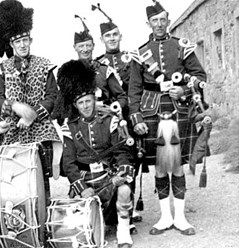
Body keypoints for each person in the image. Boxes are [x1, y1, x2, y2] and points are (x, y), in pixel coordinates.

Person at [128, 0, 207, 236]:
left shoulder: (182, 46)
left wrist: (184, 90)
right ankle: (164, 217)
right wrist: (136, 118)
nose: (159, 24)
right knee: (161, 167)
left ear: (168, 20)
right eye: (155, 20)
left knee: (178, 166)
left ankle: (181, 218)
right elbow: (134, 89)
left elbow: (199, 75)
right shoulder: (140, 53)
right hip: (152, 112)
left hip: (179, 109)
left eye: (163, 19)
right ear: (148, 23)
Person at [0, 0, 62, 204]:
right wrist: (15, 107)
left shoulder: (45, 66)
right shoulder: (1, 69)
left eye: (25, 40)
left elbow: (52, 97)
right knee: (13, 177)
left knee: (41, 175)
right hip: (12, 129)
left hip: (41, 128)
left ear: (31, 39)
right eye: (18, 41)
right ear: (11, 44)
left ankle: (43, 215)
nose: (22, 45)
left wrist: (33, 114)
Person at [57, 59, 134, 248]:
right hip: (85, 180)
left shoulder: (110, 121)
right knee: (82, 228)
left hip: (107, 176)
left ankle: (123, 231)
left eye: (88, 101)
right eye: (80, 103)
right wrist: (81, 187)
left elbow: (122, 152)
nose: (85, 106)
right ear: (75, 105)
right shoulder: (70, 128)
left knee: (124, 191)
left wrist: (120, 175)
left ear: (94, 99)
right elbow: (68, 164)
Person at [92, 3, 144, 229]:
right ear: (102, 39)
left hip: (126, 122)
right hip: (106, 123)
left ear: (120, 36)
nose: (112, 39)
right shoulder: (98, 65)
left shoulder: (131, 59)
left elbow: (134, 92)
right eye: (107, 36)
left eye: (115, 34)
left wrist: (132, 116)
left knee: (130, 163)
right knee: (110, 165)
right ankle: (112, 212)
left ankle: (128, 214)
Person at [72, 14, 127, 115]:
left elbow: (121, 97)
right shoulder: (69, 74)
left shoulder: (104, 70)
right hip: (80, 122)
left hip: (104, 119)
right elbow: (63, 103)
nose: (85, 50)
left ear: (93, 46)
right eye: (81, 46)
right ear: (74, 47)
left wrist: (112, 108)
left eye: (88, 45)